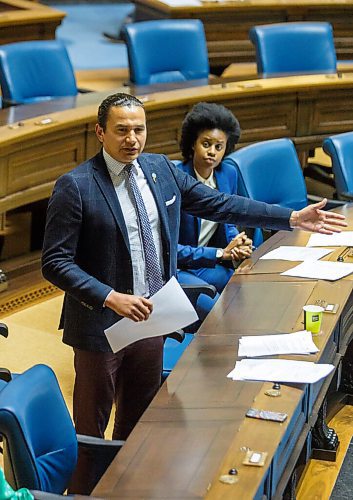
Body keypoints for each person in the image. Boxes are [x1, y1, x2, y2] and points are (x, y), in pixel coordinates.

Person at [41, 92, 346, 493]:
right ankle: (83, 493)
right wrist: (109, 296)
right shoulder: (76, 186)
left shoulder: (160, 171)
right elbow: (55, 262)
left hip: (152, 317)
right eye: (121, 130)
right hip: (102, 326)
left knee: (141, 422)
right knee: (92, 432)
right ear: (100, 132)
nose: (132, 139)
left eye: (139, 129)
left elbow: (220, 204)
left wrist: (289, 217)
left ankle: (131, 490)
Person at [177, 102, 253, 298]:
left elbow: (227, 222)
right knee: (216, 301)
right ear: (193, 143)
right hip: (180, 266)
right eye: (206, 144)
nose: (212, 151)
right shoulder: (176, 177)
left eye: (219, 147)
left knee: (248, 285)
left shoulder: (228, 173)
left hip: (210, 262)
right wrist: (221, 253)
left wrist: (236, 243)